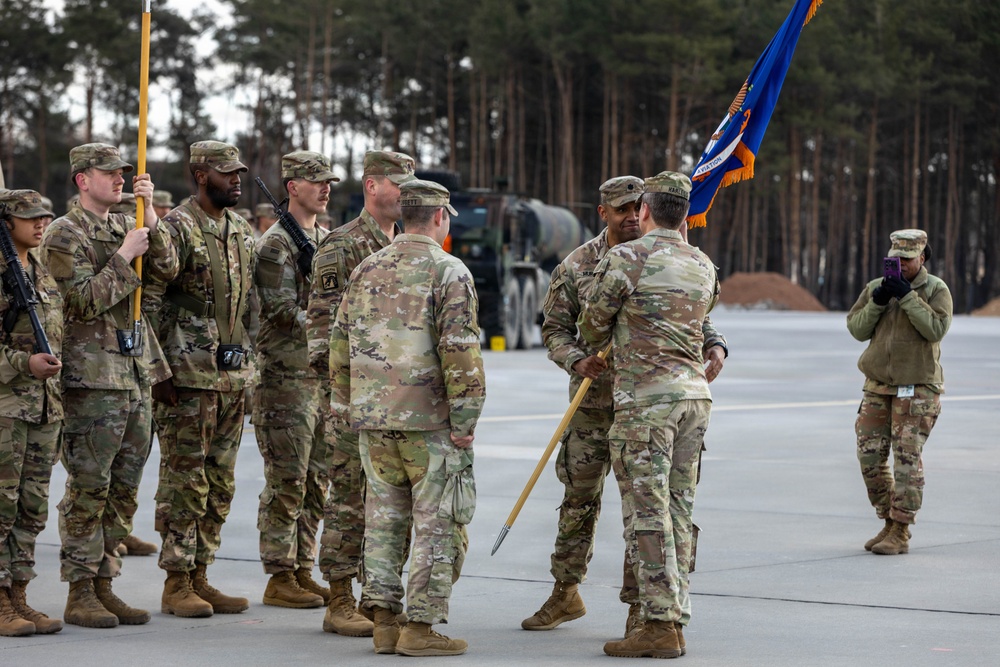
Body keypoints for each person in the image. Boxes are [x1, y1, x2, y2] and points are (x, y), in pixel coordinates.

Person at [527, 176, 728, 638]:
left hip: (644, 406)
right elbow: (555, 331)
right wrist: (578, 360)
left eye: (639, 206)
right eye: (622, 209)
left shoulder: (665, 258)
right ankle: (565, 591)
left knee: (645, 508)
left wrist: (716, 345)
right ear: (604, 214)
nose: (632, 216)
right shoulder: (578, 266)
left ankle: (643, 608)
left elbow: (697, 315)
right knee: (579, 499)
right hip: (595, 404)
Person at [330, 179, 484, 656]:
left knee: (383, 521)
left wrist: (346, 407)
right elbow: (460, 353)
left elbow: (339, 346)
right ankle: (419, 627)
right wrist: (465, 418)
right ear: (439, 217)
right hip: (430, 423)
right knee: (439, 524)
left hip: (374, 420)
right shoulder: (448, 270)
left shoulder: (367, 268)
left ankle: (383, 622)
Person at [579, 171, 719, 659]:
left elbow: (593, 326)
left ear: (644, 210)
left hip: (646, 403)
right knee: (679, 511)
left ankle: (658, 623)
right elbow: (702, 323)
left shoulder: (626, 258)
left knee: (648, 513)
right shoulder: (703, 263)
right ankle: (674, 618)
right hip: (694, 400)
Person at [42, 143, 178, 629]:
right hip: (90, 378)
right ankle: (80, 589)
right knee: (89, 487)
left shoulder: (129, 221)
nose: (120, 180)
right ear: (82, 179)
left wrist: (154, 220)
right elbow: (77, 303)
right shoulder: (63, 233)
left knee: (124, 487)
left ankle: (105, 581)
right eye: (109, 174)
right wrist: (123, 257)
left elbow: (168, 269)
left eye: (124, 173)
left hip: (133, 371)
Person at [144, 141, 256, 618]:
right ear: (199, 174)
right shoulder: (177, 226)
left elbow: (249, 304)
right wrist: (156, 372)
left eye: (238, 173)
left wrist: (250, 370)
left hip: (231, 375)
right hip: (186, 374)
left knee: (220, 482)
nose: (235, 180)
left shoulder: (241, 229)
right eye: (225, 173)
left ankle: (201, 574)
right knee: (185, 480)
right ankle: (176, 581)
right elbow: (149, 300)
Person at [306, 149, 415, 636]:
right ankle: (339, 597)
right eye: (397, 183)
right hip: (356, 403)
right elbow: (322, 333)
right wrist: (348, 395)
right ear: (372, 186)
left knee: (391, 505)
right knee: (349, 499)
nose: (405, 193)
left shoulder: (410, 245)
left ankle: (379, 597)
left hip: (401, 405)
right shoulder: (342, 246)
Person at [254, 151, 337, 608]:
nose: (324, 189)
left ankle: (303, 567)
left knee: (315, 479)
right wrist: (331, 319)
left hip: (318, 377)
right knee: (287, 479)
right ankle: (278, 573)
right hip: (285, 377)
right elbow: (280, 311)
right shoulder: (275, 244)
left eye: (328, 182)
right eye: (315, 182)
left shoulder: (324, 238)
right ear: (292, 187)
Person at [847, 229, 952, 555]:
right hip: (878, 385)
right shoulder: (876, 287)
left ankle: (902, 531)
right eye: (895, 259)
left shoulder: (935, 289)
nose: (901, 265)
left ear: (922, 257)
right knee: (870, 457)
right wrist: (878, 302)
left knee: (906, 460)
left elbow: (936, 329)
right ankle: (889, 521)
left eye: (907, 260)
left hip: (917, 387)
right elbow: (856, 328)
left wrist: (907, 297)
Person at [0, 190, 63, 637]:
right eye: (30, 218)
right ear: (7, 223)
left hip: (44, 408)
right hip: (7, 407)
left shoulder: (39, 271)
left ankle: (18, 593)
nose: (41, 224)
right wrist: (24, 363)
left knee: (31, 508)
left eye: (45, 217)